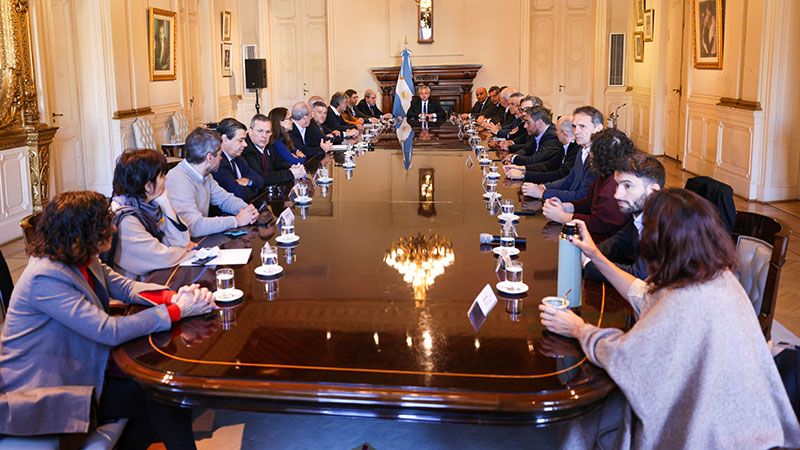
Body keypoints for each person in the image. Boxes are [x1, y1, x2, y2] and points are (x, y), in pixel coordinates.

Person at [540, 189, 800, 448]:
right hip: (738, 415)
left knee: (593, 414)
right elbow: (644, 294)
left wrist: (578, 329)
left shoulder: (684, 299)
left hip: (708, 432)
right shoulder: (716, 276)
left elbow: (629, 359)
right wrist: (596, 255)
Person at [0, 190, 215, 448]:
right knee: (164, 398)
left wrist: (175, 297)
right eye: (105, 223)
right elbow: (107, 330)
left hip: (80, 363)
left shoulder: (81, 256)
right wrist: (177, 311)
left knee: (166, 399)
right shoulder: (45, 276)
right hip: (47, 387)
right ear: (81, 233)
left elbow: (124, 287)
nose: (113, 228)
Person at [109, 149, 193, 280]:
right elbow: (162, 257)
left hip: (154, 278)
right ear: (148, 186)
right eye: (162, 176)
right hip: (137, 287)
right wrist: (188, 253)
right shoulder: (125, 218)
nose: (166, 179)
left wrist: (166, 204)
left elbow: (181, 242)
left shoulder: (148, 207)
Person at [541, 128, 635, 240]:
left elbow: (600, 224)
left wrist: (563, 217)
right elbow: (588, 203)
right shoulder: (604, 176)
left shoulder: (613, 185)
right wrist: (564, 206)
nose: (590, 154)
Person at [584, 153, 664, 281]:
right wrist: (588, 253)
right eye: (617, 185)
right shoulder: (642, 215)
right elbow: (618, 243)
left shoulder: (664, 225)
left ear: (653, 191)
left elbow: (638, 277)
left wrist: (587, 263)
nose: (617, 195)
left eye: (627, 186)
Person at [166, 127, 259, 237]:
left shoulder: (206, 175)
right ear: (209, 157)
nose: (221, 158)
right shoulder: (178, 180)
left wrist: (247, 210)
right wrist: (236, 220)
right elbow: (194, 227)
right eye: (220, 154)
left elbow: (225, 200)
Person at [521, 105, 604, 202]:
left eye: (582, 126)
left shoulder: (599, 157)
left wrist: (543, 193)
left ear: (598, 128)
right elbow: (569, 180)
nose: (576, 132)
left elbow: (583, 196)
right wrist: (543, 187)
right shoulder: (582, 150)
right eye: (574, 126)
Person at [505, 115, 580, 183]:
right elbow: (549, 165)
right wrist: (522, 168)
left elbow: (559, 175)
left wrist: (523, 174)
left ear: (564, 134)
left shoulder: (576, 151)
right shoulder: (565, 146)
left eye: (557, 130)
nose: (556, 133)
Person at [241, 113, 306, 185]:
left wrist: (292, 167)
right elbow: (260, 177)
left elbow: (278, 162)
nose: (264, 135)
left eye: (268, 132)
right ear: (250, 131)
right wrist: (290, 173)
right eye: (260, 131)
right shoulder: (245, 149)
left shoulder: (268, 144)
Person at [212, 118, 265, 202]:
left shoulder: (238, 158)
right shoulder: (218, 163)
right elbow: (239, 194)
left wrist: (248, 181)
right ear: (225, 139)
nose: (245, 144)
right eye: (240, 140)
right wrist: (254, 188)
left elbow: (261, 181)